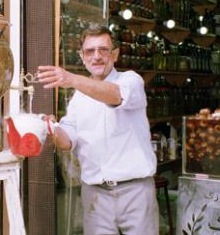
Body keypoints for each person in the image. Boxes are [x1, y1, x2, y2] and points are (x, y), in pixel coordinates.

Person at [37, 25, 158, 235]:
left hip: (135, 191)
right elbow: (67, 142)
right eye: (90, 51)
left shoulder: (130, 80)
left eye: (103, 50)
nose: (97, 57)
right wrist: (49, 127)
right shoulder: (78, 98)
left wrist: (72, 79)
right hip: (95, 194)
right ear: (82, 57)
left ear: (115, 54)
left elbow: (116, 96)